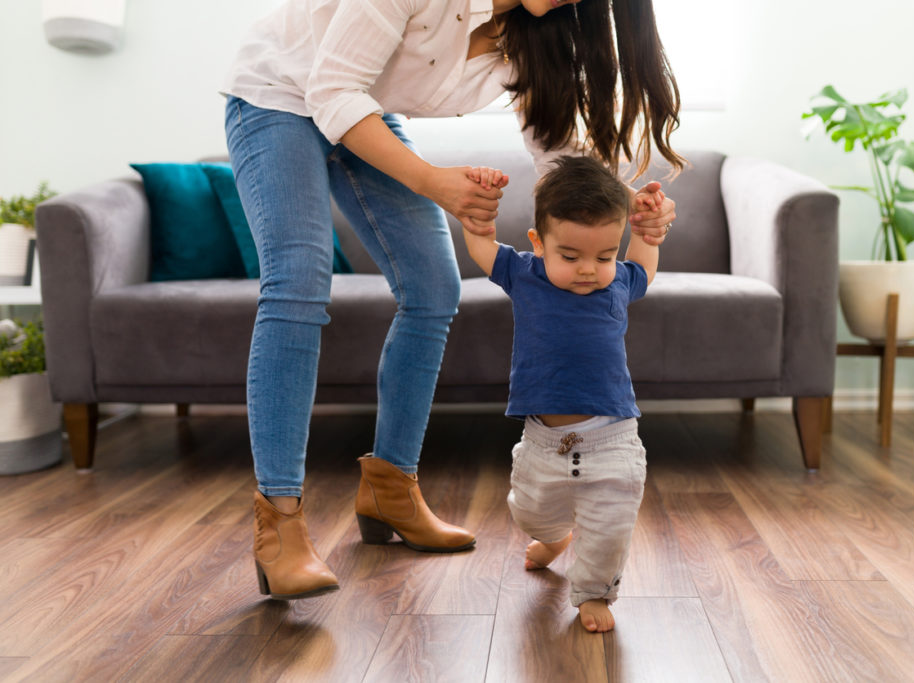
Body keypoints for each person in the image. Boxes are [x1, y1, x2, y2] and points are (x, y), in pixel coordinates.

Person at [221, 0, 683, 601]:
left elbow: (559, 159)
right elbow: (332, 88)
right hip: (279, 94)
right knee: (299, 280)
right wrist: (433, 180)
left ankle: (391, 489)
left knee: (435, 290)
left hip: (361, 113)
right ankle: (279, 522)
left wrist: (630, 210)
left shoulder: (537, 34)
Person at [461, 155, 661, 633]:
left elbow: (645, 262)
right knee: (529, 510)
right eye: (570, 257)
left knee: (609, 526)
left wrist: (649, 231)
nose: (589, 270)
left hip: (612, 438)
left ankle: (594, 593)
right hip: (543, 443)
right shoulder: (524, 274)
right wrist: (480, 211)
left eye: (604, 256)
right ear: (539, 243)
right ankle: (554, 538)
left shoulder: (620, 283)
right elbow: (481, 246)